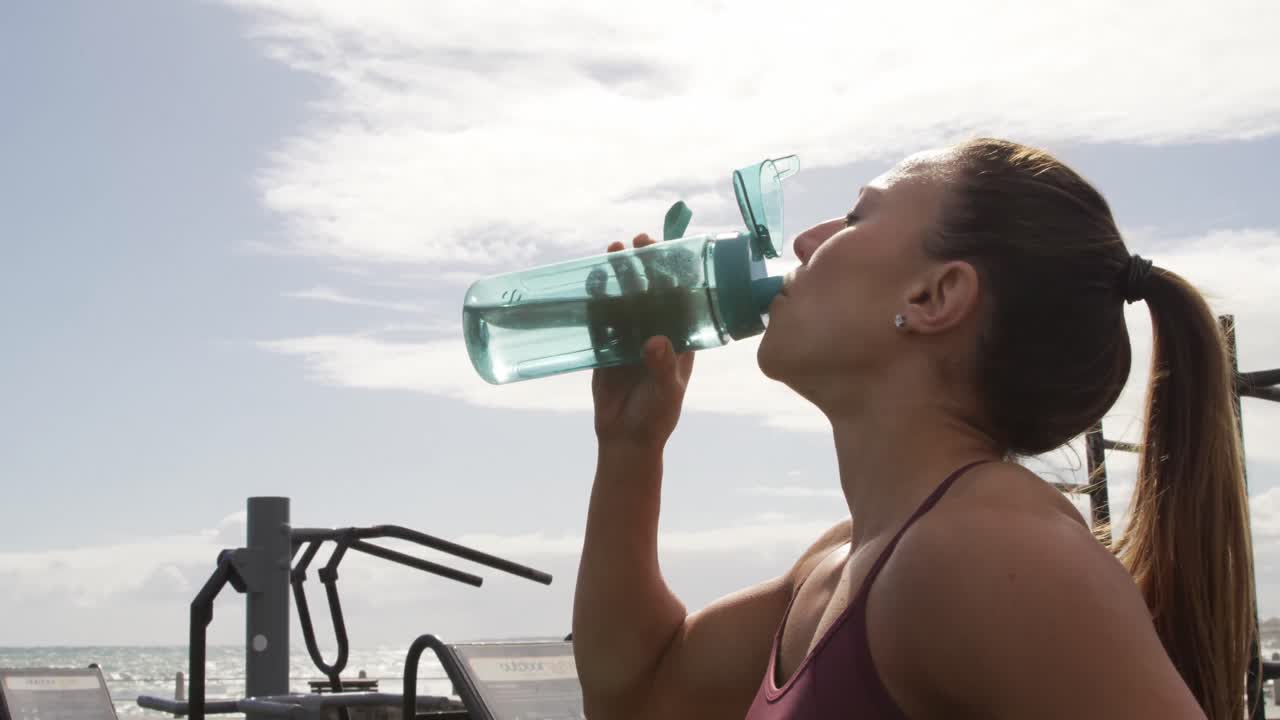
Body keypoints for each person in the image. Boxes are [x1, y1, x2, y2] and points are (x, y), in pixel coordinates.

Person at [570, 138, 1253, 720]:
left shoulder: (983, 552)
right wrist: (631, 447)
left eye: (855, 216)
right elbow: (638, 694)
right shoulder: (846, 562)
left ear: (934, 297)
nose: (806, 241)